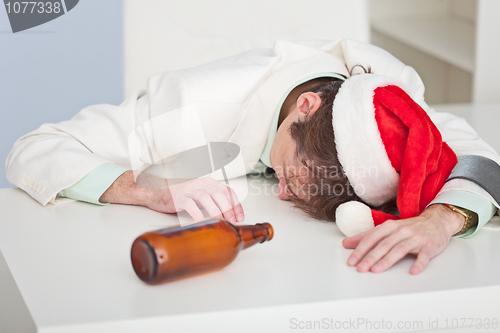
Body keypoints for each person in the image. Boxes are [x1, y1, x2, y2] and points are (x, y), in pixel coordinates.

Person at [6, 39, 500, 275]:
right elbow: (34, 146)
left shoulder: (393, 101)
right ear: (305, 108)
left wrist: (442, 219)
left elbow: (479, 154)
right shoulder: (186, 108)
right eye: (289, 172)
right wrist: (138, 186)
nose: (280, 192)